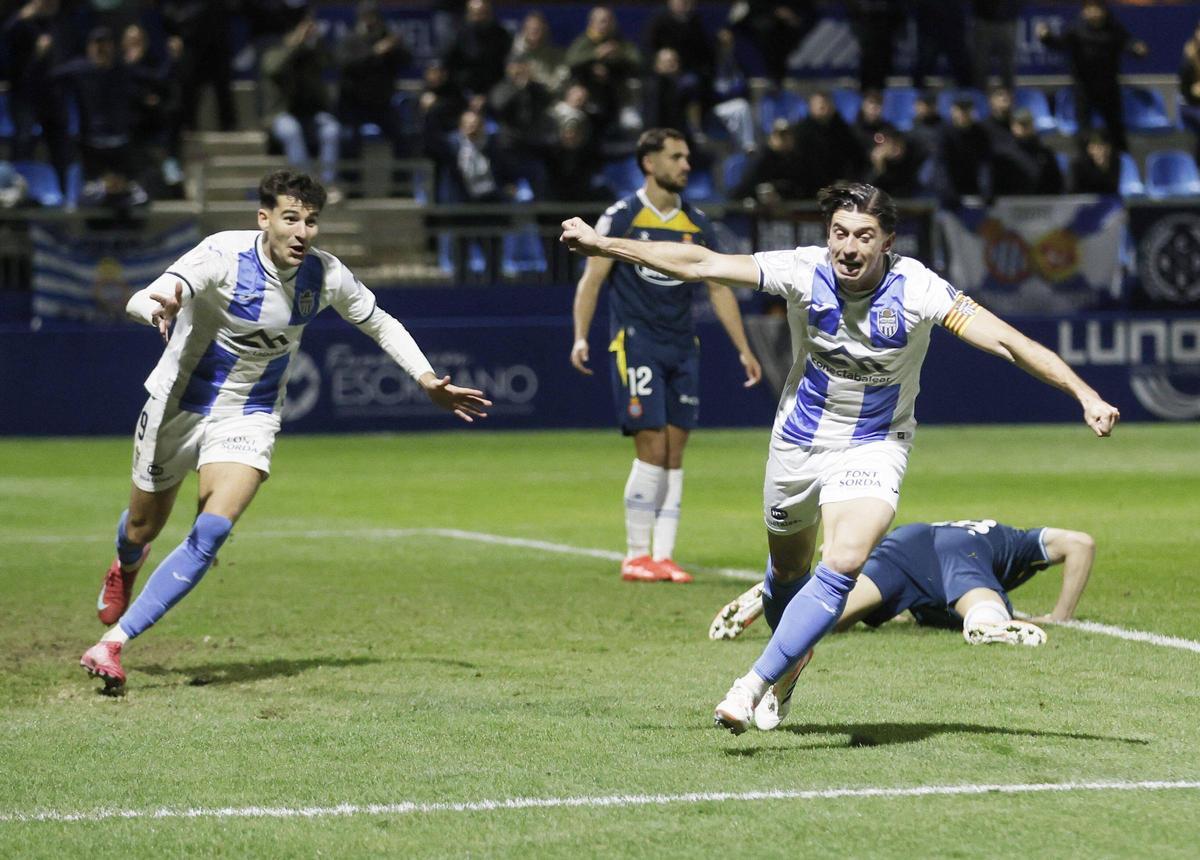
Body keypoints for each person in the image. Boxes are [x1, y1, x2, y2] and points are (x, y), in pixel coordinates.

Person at [559, 180, 1120, 736]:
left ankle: (750, 684)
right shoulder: (804, 270)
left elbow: (1007, 341)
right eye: (840, 234)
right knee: (787, 574)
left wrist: (1083, 393)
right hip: (798, 444)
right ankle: (789, 668)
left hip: (875, 444)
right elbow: (703, 262)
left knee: (846, 559)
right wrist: (607, 246)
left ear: (887, 242)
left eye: (864, 236)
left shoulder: (918, 287)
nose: (849, 248)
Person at [80, 170, 491, 692]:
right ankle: (126, 562)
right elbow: (153, 293)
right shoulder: (222, 256)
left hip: (249, 416)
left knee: (212, 531)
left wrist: (427, 379)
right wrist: (153, 307)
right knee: (142, 528)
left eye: (312, 221)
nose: (303, 232)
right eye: (291, 218)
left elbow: (381, 321)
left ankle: (114, 643)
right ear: (264, 218)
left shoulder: (324, 275)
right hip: (178, 406)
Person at [569, 128, 762, 584]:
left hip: (682, 346)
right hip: (637, 342)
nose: (686, 165)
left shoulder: (697, 223)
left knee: (675, 450)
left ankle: (664, 555)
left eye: (687, 157)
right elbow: (591, 280)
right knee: (652, 443)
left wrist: (743, 349)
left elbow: (718, 288)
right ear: (649, 164)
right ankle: (637, 554)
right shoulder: (622, 216)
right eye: (676, 157)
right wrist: (580, 335)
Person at [710, 518, 1096, 731]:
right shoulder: (1016, 541)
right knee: (977, 600)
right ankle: (988, 623)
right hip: (962, 553)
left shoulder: (971, 528)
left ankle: (775, 591)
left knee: (831, 615)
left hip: (905, 544)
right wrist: (1061, 614)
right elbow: (1081, 542)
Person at [1036, 0, 1148, 153]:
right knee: (1084, 131)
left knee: (1116, 129)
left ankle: (1121, 163)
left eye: (1097, 9)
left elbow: (1128, 43)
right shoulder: (1075, 29)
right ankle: (1085, 162)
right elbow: (1059, 44)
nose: (1094, 13)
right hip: (1084, 89)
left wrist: (1137, 49)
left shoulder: (1114, 28)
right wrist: (1046, 37)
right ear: (1084, 11)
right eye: (1090, 9)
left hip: (1109, 88)